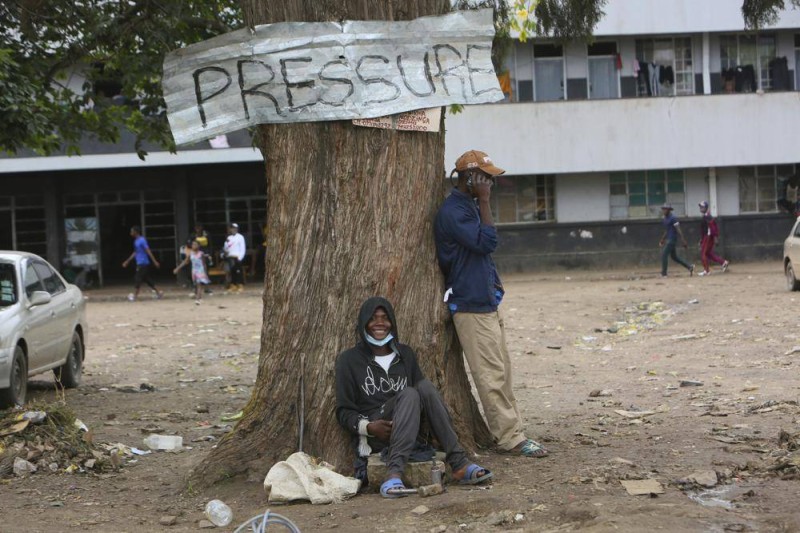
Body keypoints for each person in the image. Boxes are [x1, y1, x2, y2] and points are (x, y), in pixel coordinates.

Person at [434, 149, 549, 458]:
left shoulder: (468, 207)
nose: (491, 185)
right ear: (470, 178)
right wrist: (484, 201)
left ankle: (515, 429)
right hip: (469, 305)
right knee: (491, 376)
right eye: (486, 179)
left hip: (485, 301)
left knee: (503, 372)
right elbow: (487, 243)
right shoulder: (454, 211)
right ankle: (510, 438)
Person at [336, 297, 493, 498]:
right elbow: (343, 411)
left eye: (385, 318)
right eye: (373, 318)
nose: (380, 323)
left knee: (424, 387)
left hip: (409, 430)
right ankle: (394, 474)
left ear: (392, 321)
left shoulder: (405, 354)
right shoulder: (349, 360)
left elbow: (423, 399)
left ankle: (459, 462)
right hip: (377, 432)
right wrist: (368, 426)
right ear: (364, 323)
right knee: (410, 393)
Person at [122, 225, 164, 301]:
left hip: (143, 263)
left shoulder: (142, 240)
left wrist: (154, 261)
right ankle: (159, 293)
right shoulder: (135, 241)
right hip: (139, 262)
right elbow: (135, 252)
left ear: (136, 232)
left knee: (137, 278)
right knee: (147, 279)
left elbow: (148, 251)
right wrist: (127, 261)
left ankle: (135, 296)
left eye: (132, 231)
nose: (130, 233)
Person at [658, 203, 694, 278]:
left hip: (672, 239)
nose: (664, 210)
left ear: (669, 210)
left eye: (666, 209)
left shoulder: (673, 218)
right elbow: (667, 230)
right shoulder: (665, 218)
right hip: (669, 238)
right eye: (663, 209)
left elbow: (678, 229)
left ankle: (664, 273)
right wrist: (662, 239)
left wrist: (683, 240)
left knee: (664, 254)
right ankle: (689, 266)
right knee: (674, 257)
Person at [697, 201, 729, 276]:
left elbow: (713, 227)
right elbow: (704, 229)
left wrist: (715, 237)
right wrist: (701, 239)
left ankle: (706, 270)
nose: (701, 208)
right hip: (706, 237)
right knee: (708, 253)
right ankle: (723, 262)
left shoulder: (708, 216)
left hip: (708, 237)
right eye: (700, 207)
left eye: (702, 207)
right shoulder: (705, 216)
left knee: (703, 253)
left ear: (706, 208)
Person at [222, 222, 246, 292]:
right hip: (230, 257)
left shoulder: (240, 237)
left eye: (235, 228)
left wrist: (240, 257)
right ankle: (233, 285)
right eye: (232, 228)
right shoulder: (229, 237)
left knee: (238, 271)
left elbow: (242, 248)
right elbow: (226, 248)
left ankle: (240, 285)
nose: (233, 229)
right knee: (232, 272)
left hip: (237, 257)